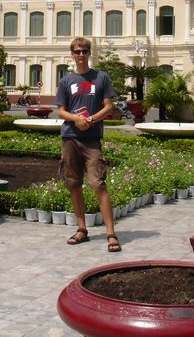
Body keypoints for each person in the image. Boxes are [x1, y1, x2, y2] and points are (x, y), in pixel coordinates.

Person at [56, 37, 121, 252]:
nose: (81, 55)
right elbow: (61, 110)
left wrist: (90, 120)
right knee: (73, 183)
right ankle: (82, 229)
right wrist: (76, 119)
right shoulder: (66, 81)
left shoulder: (101, 77)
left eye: (84, 51)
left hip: (91, 139)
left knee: (98, 184)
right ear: (72, 54)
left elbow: (109, 107)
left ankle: (111, 234)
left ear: (89, 53)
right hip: (70, 137)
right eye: (77, 51)